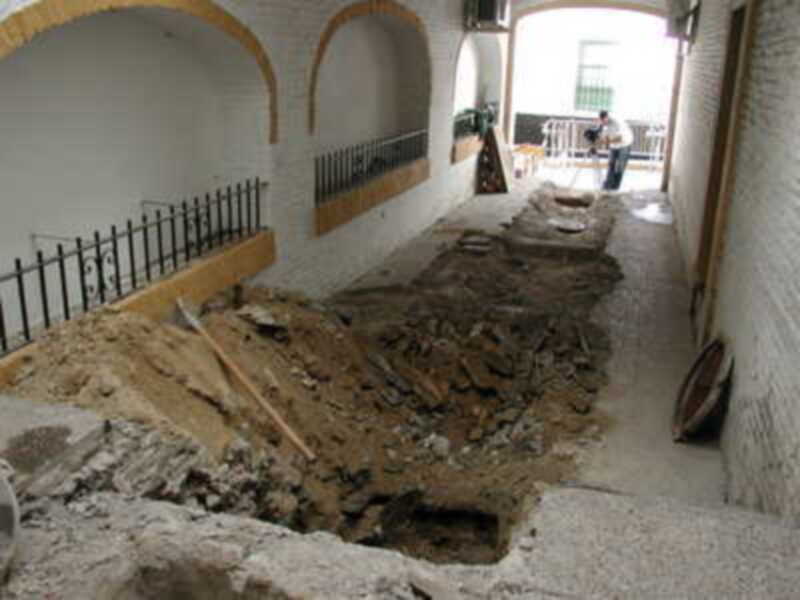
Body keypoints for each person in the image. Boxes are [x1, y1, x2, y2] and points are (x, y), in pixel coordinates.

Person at [598, 110, 634, 191]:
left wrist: (607, 141)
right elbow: (606, 138)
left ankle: (615, 187)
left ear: (607, 117)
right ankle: (607, 185)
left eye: (604, 120)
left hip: (625, 143)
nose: (603, 122)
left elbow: (619, 138)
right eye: (601, 121)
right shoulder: (603, 125)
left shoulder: (617, 122)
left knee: (620, 167)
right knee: (611, 164)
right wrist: (605, 143)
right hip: (614, 145)